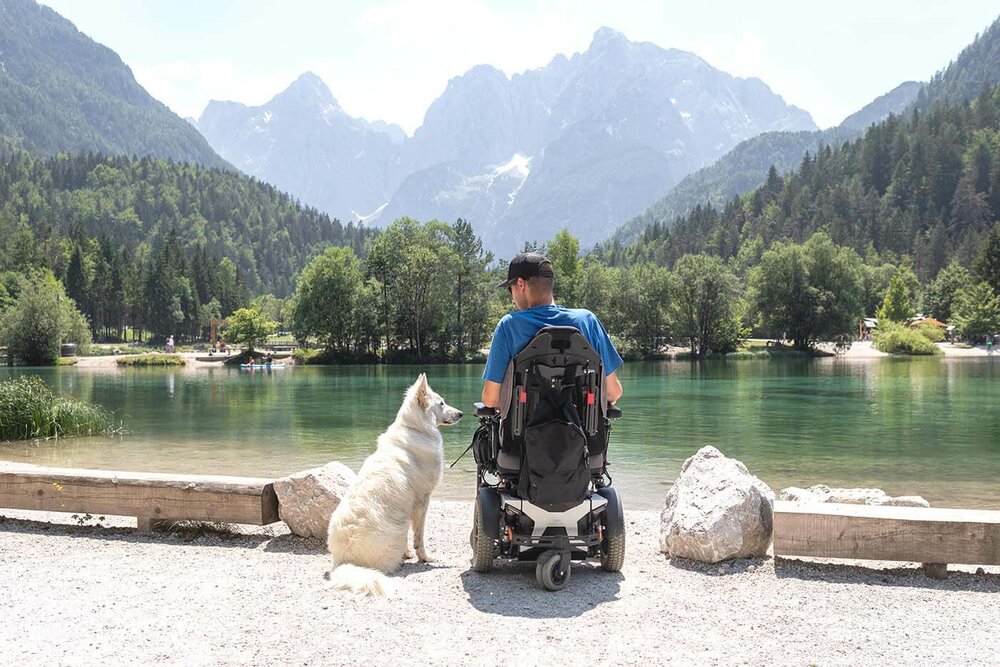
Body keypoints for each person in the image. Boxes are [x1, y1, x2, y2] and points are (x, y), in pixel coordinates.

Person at [481, 252, 623, 409]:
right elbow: (613, 393)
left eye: (510, 289)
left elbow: (491, 399)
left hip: (524, 432)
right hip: (580, 432)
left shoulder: (509, 326)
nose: (511, 298)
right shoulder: (587, 321)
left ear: (521, 285)